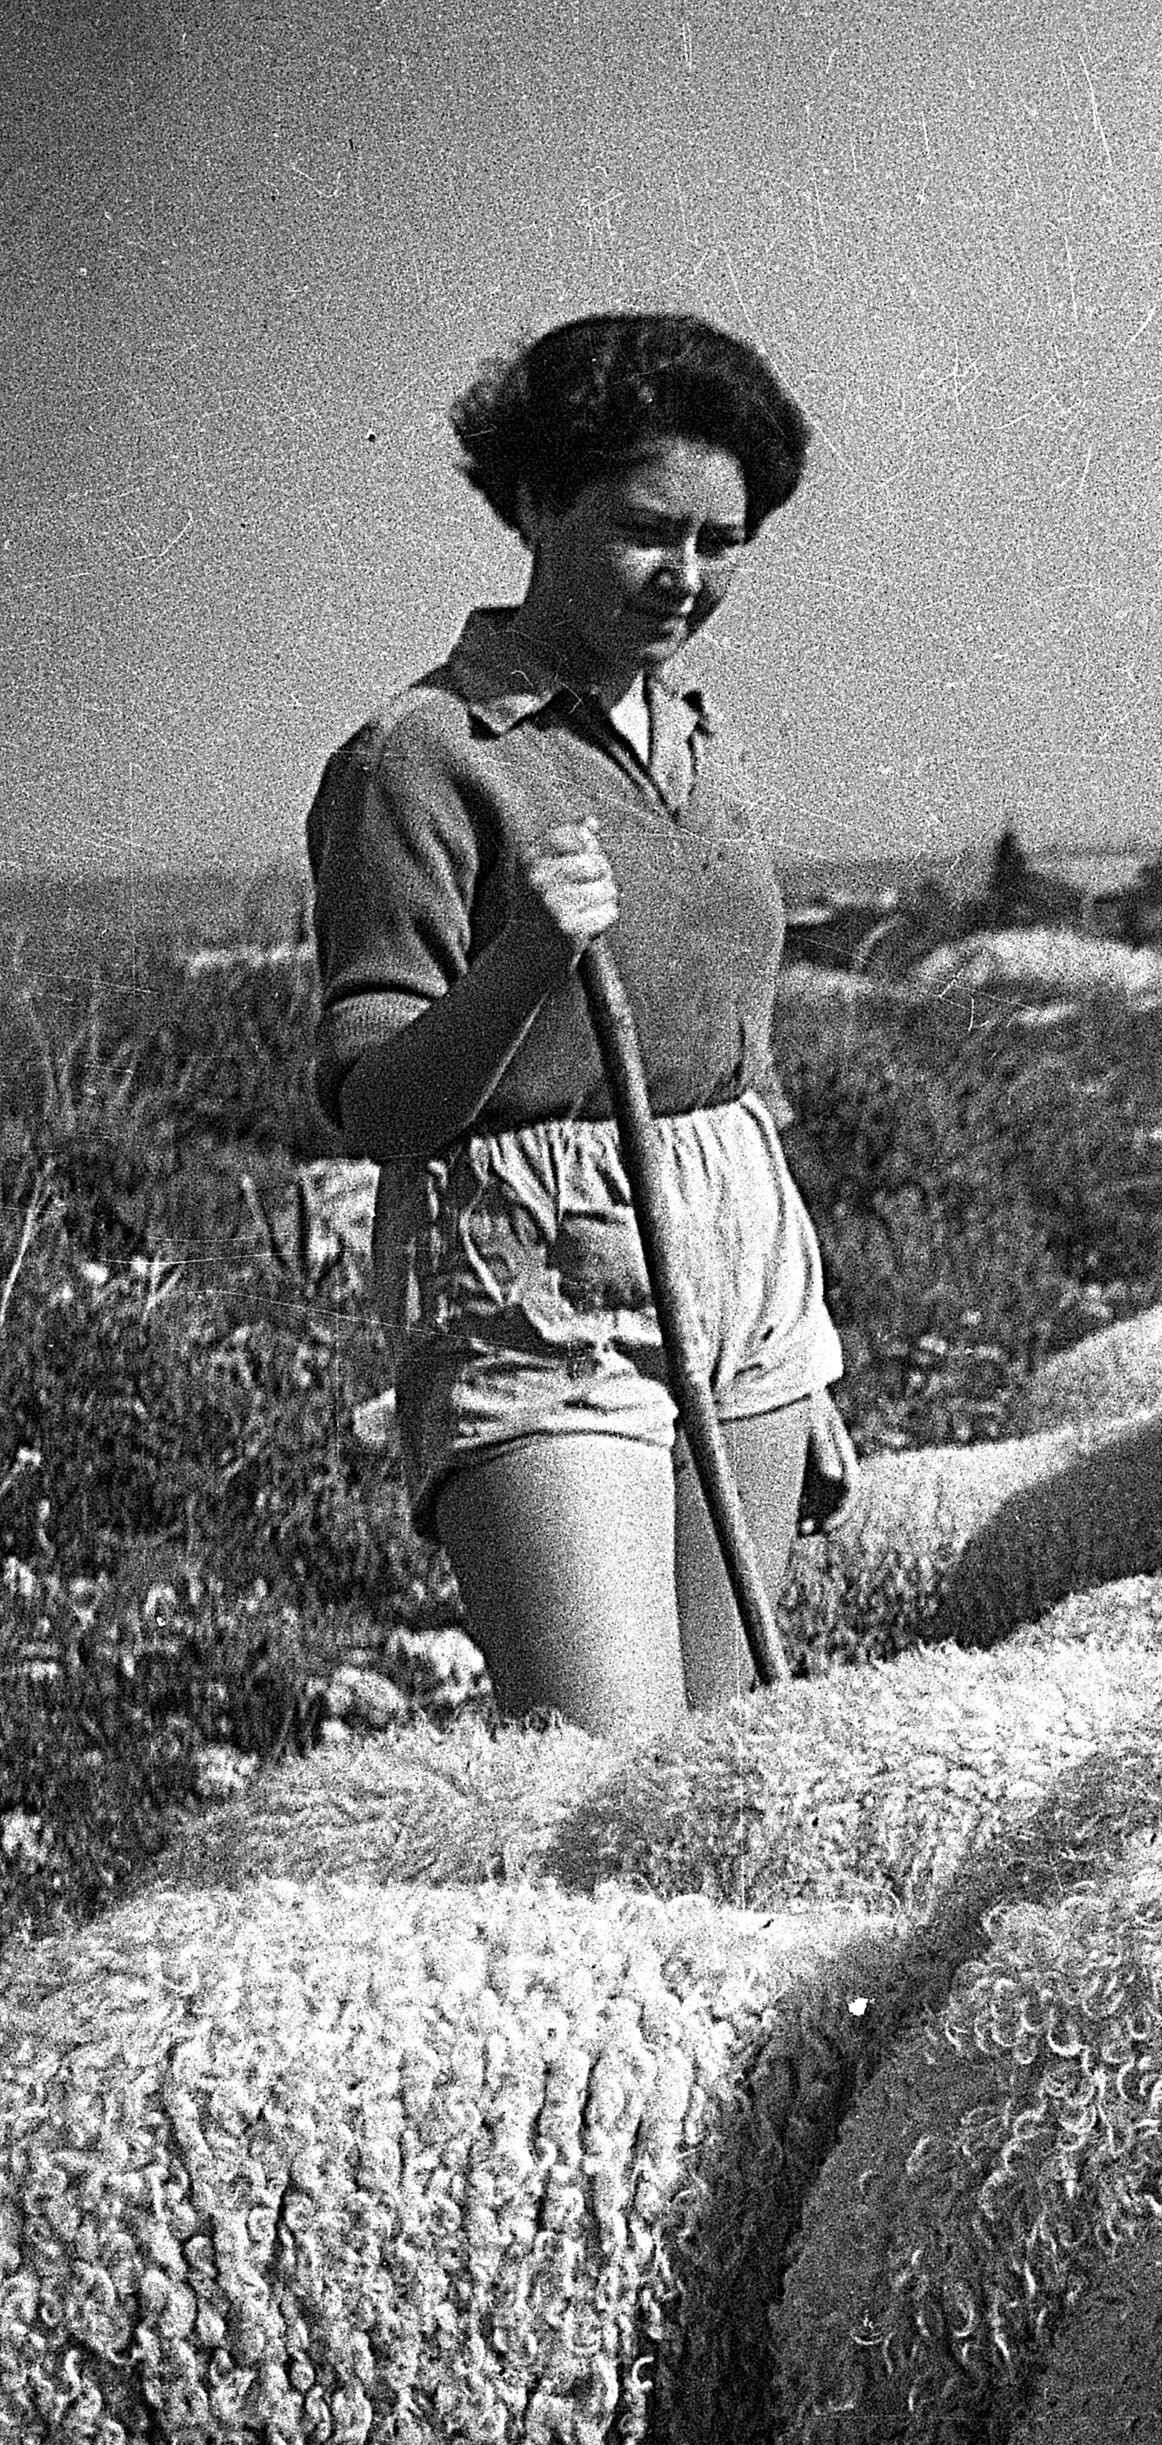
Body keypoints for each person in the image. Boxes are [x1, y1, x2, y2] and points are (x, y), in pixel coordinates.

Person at [308, 309, 849, 1737]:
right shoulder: (421, 758)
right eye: (645, 529)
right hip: (541, 1272)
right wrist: (524, 963)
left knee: (729, 1769)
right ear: (537, 502)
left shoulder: (704, 744)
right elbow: (374, 1103)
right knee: (606, 1783)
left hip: (742, 1265)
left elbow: (735, 1046)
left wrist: (783, 1329)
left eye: (722, 542)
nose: (685, 577)